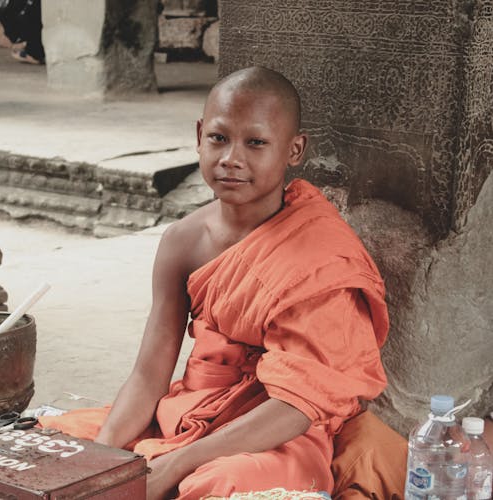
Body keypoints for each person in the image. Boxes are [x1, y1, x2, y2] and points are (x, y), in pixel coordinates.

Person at [39, 66, 390, 499]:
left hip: (273, 435)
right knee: (57, 449)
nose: (231, 159)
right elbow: (150, 375)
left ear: (294, 150)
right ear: (199, 134)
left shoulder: (319, 254)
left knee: (216, 485)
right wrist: (99, 460)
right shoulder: (182, 242)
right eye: (219, 138)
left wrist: (175, 465)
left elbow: (298, 405)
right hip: (187, 412)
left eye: (256, 142)